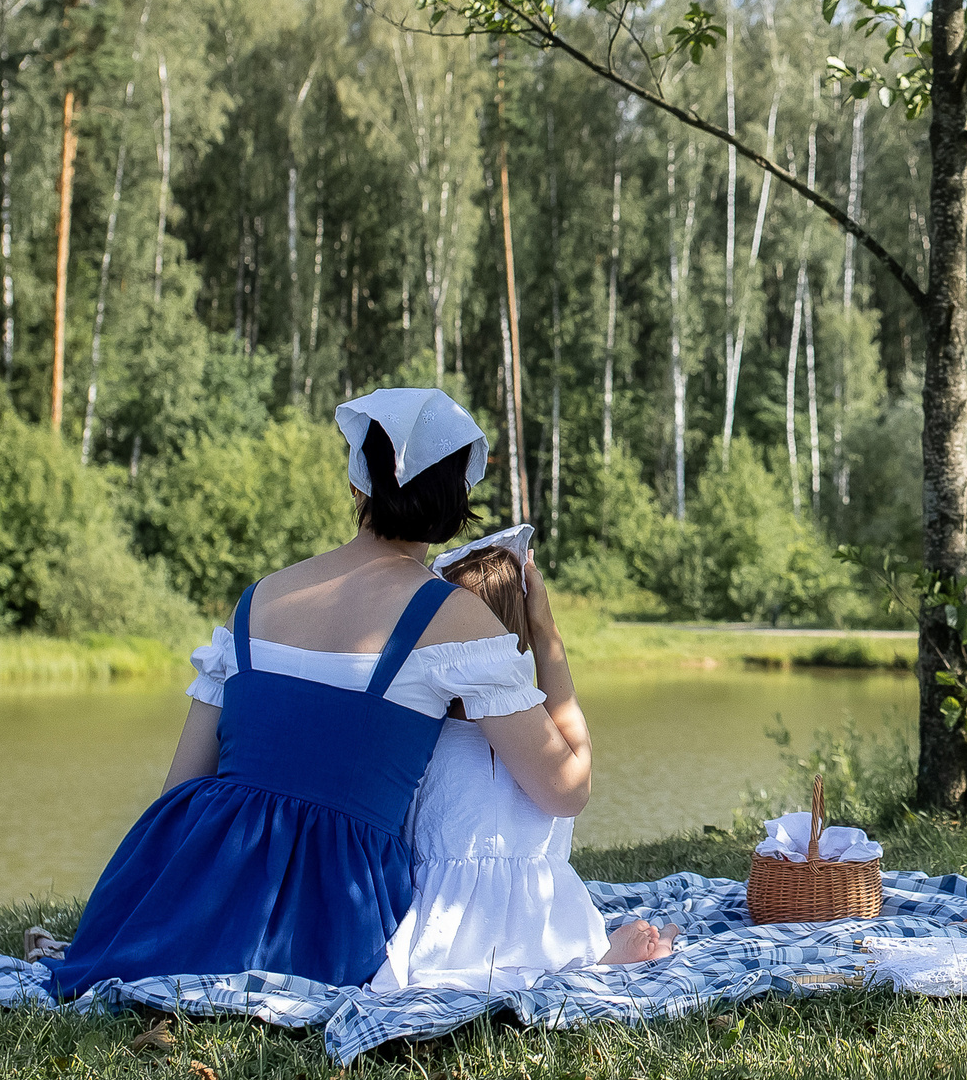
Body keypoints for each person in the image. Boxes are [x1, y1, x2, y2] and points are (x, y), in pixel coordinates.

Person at [38, 388, 593, 996]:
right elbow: (564, 788)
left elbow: (183, 788)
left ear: (360, 488)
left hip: (189, 888)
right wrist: (544, 634)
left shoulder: (262, 596)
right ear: (456, 499)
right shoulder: (453, 618)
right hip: (326, 913)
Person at [371, 538, 676, 991]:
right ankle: (605, 957)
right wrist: (547, 632)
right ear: (521, 638)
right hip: (544, 928)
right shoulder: (541, 741)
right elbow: (577, 769)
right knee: (654, 935)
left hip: (442, 931)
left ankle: (600, 955)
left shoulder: (422, 732)